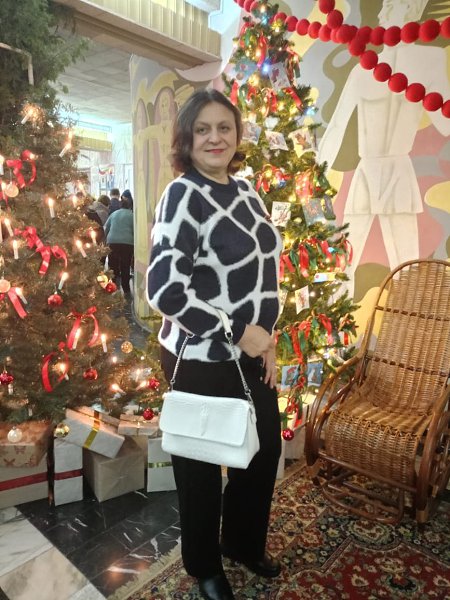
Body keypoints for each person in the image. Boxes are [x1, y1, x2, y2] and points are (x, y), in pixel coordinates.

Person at [146, 89, 283, 600]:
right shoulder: (182, 195)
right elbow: (165, 290)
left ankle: (241, 543)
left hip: (250, 351)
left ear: (237, 134)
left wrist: (266, 340)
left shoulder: (249, 193)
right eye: (202, 129)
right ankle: (205, 565)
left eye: (224, 127)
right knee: (200, 466)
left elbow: (265, 273)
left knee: (263, 450)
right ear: (187, 138)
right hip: (200, 356)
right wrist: (239, 331)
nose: (214, 138)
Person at [317, 0, 450, 299]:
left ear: (413, 10)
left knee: (407, 270)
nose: (382, 12)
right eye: (384, 5)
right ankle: (333, 323)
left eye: (393, 5)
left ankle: (408, 326)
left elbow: (445, 123)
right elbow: (336, 126)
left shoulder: (427, 60)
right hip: (366, 172)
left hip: (398, 172)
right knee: (342, 265)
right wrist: (314, 176)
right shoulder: (362, 68)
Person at [104, 196, 134, 296]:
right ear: (130, 206)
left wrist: (106, 240)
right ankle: (126, 289)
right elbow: (135, 231)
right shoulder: (132, 215)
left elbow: (106, 228)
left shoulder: (114, 214)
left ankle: (112, 287)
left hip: (112, 242)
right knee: (125, 266)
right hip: (127, 243)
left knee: (112, 266)